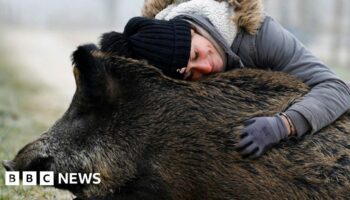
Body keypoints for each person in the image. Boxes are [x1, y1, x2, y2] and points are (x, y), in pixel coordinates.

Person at [100, 0, 350, 158]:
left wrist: (284, 125)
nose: (206, 67)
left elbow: (336, 88)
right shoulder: (155, 62)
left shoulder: (258, 35)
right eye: (190, 73)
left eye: (196, 53)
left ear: (192, 29)